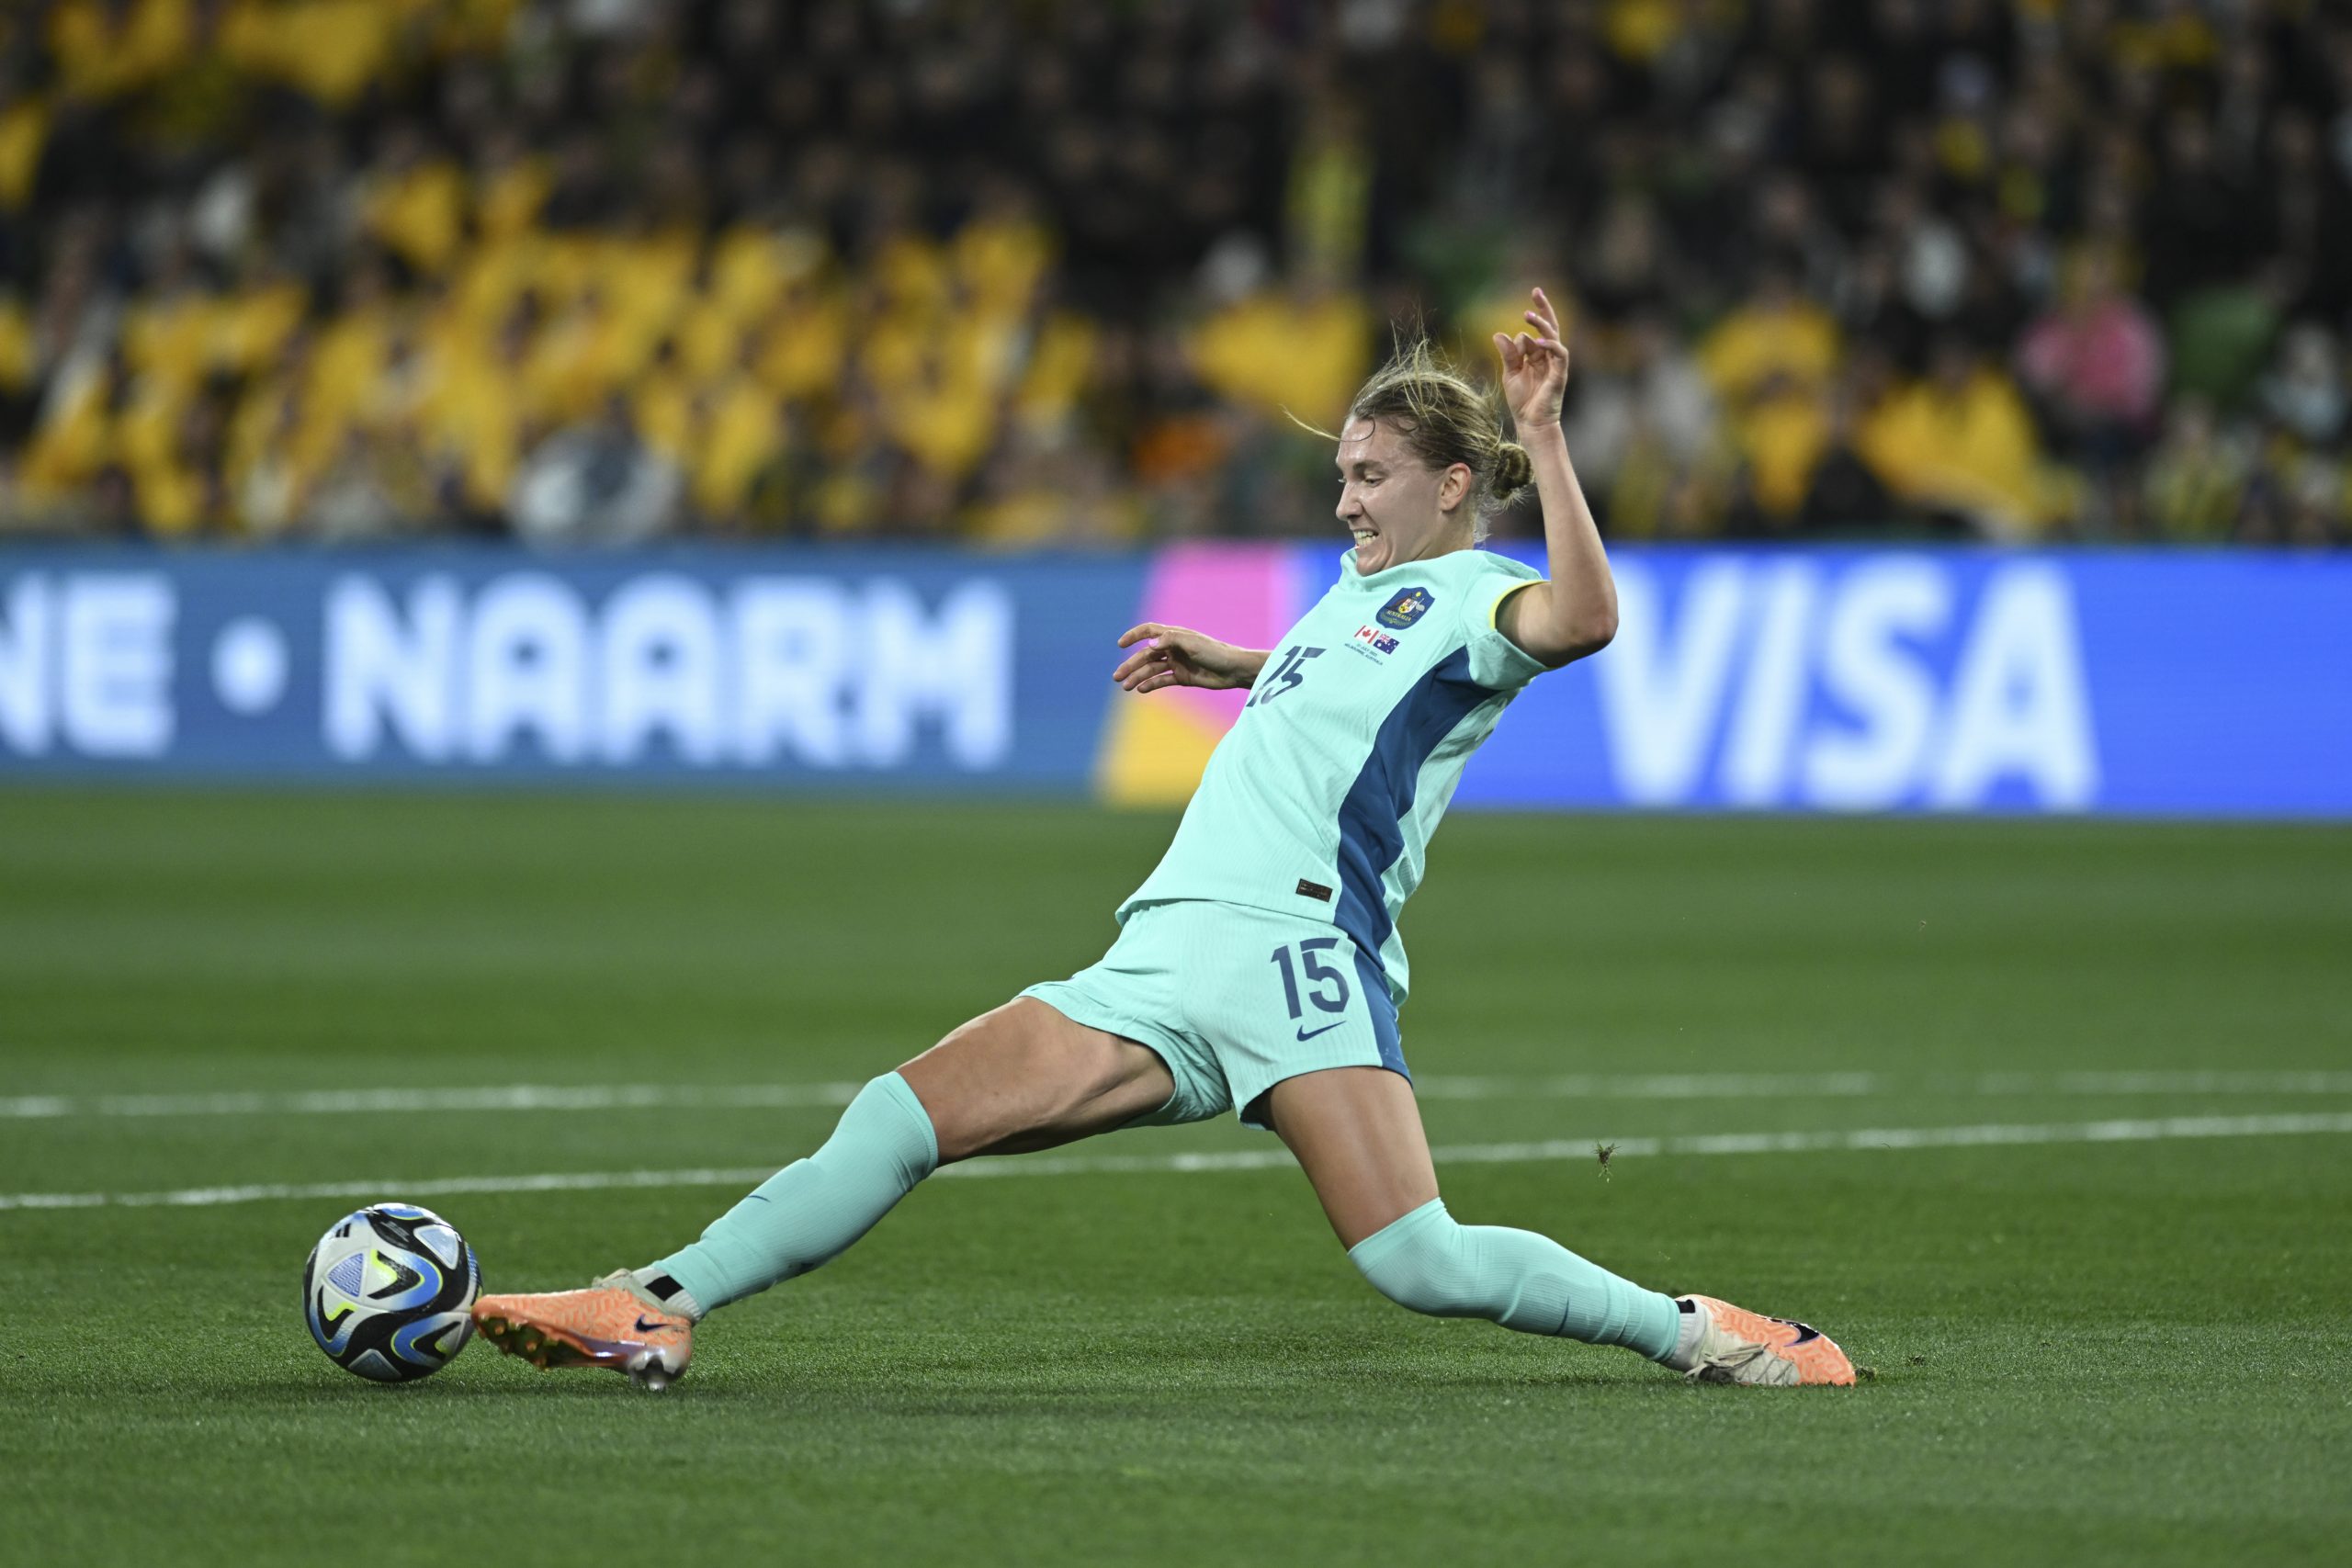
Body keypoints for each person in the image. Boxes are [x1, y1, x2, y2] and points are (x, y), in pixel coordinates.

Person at [469, 290, 1856, 1392]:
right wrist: (1236, 660)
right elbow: (1346, 682)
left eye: (1371, 477)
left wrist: (1545, 440)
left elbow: (1589, 623)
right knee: (907, 1112)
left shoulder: (1485, 596)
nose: (1345, 502)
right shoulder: (1355, 596)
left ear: (1451, 483)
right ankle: (657, 1302)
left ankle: (1698, 1332)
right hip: (1165, 955)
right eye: (1341, 478)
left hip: (1295, 952)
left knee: (1418, 1260)